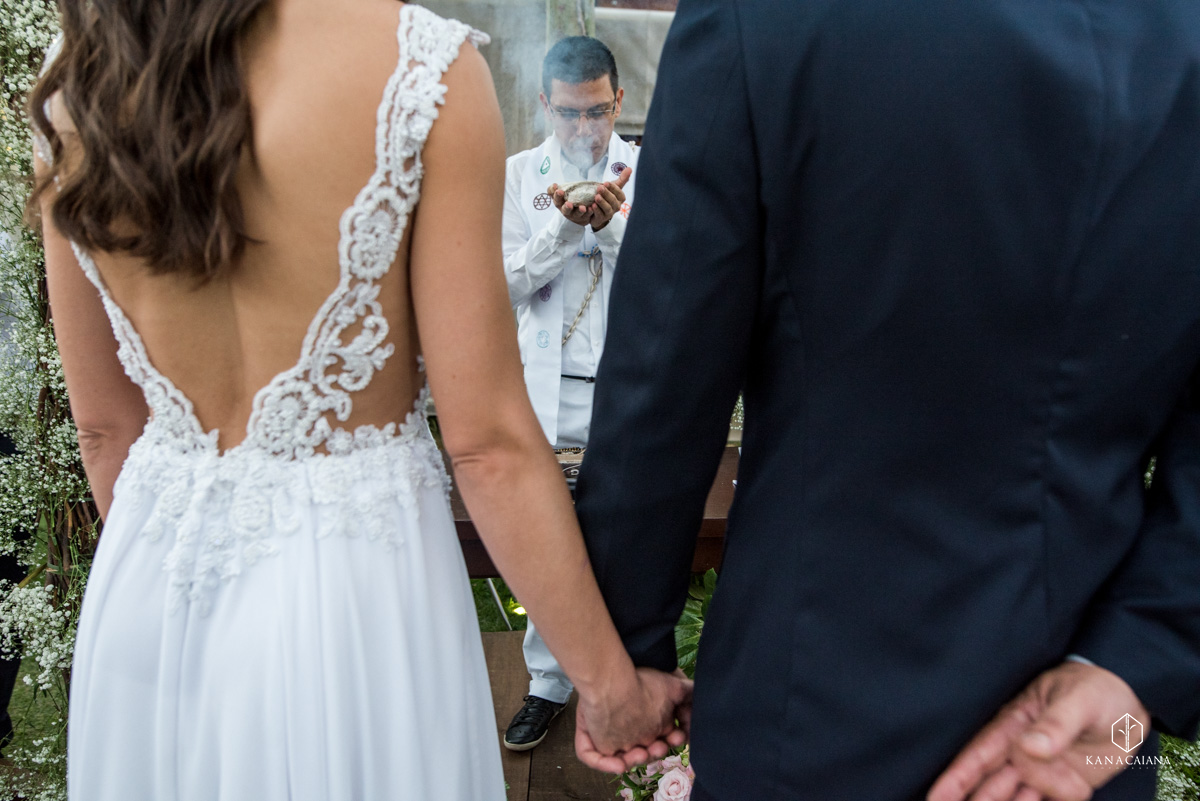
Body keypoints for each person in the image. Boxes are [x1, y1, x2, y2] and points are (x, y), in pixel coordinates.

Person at [29, 2, 688, 798]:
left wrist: (187, 581)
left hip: (154, 590)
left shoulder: (80, 76)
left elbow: (105, 431)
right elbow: (487, 447)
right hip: (360, 591)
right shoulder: (425, 68)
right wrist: (613, 690)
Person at [573, 1, 1200, 799]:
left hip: (806, 715)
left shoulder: (761, 21)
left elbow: (662, 372)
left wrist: (622, 659)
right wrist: (1139, 664)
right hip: (1081, 744)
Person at [500, 35, 638, 753]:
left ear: (618, 100)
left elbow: (665, 283)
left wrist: (612, 224)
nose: (584, 130)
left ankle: (633, 680)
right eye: (568, 115)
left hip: (626, 395)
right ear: (545, 105)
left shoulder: (651, 173)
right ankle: (548, 685)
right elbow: (503, 285)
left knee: (626, 539)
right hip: (543, 394)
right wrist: (562, 225)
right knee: (548, 544)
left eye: (596, 113)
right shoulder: (518, 175)